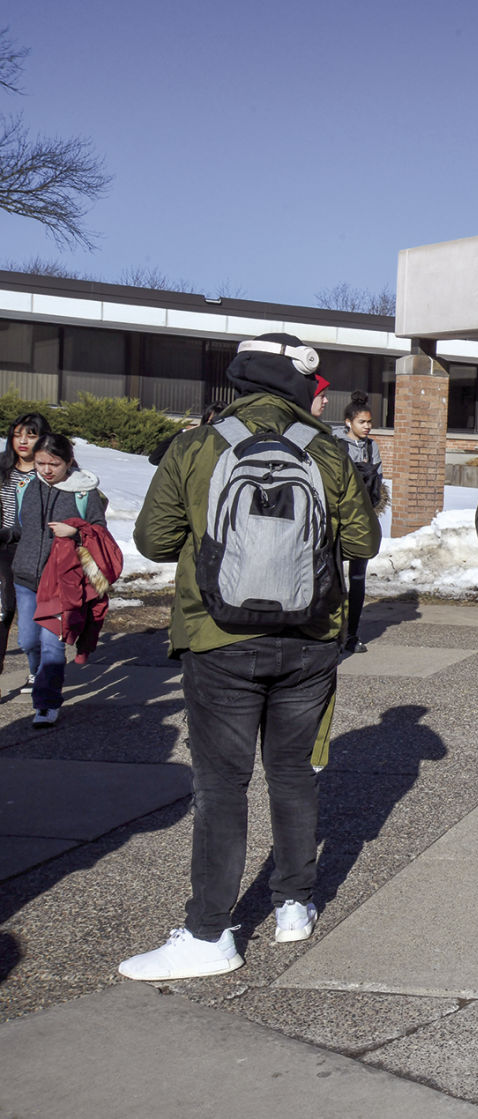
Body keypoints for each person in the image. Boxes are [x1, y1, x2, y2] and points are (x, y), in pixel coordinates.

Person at [120, 331, 378, 981]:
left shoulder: (197, 445)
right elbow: (363, 540)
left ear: (240, 380)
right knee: (293, 774)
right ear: (298, 387)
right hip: (310, 638)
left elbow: (152, 540)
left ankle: (210, 932)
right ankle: (294, 903)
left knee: (221, 784)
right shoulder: (325, 450)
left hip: (219, 637)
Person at [6, 432, 108, 727]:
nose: (47, 470)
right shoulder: (26, 486)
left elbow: (99, 530)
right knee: (27, 640)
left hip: (62, 581)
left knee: (52, 644)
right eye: (41, 463)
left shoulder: (83, 492)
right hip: (25, 577)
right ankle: (39, 676)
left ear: (69, 462)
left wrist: (74, 532)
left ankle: (47, 703)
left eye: (54, 463)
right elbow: (19, 528)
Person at [332, 391, 384, 654]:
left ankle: (352, 633)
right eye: (362, 422)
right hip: (338, 520)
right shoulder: (334, 443)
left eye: (369, 422)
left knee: (357, 578)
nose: (367, 427)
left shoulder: (371, 447)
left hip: (363, 519)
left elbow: (378, 483)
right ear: (348, 422)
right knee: (333, 577)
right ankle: (333, 633)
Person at [0, 412, 49, 681]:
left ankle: (36, 669)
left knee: (34, 617)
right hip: (5, 547)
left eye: (30, 435)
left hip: (40, 551)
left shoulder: (52, 469)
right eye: (17, 434)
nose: (22, 441)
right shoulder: (2, 467)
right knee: (3, 610)